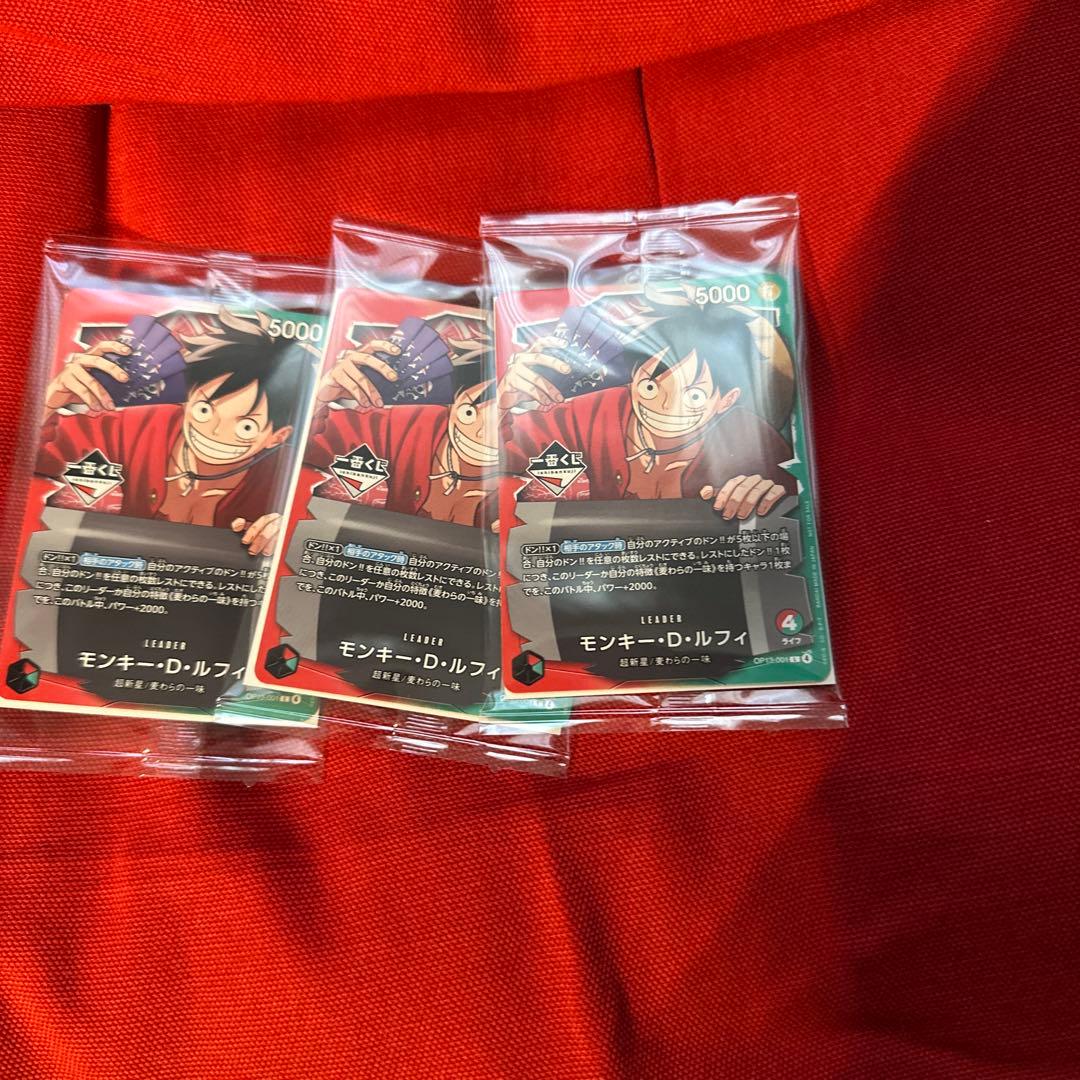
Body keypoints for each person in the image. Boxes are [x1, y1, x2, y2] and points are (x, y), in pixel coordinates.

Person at [37, 309, 307, 555]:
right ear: (188, 398)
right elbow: (39, 457)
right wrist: (51, 399)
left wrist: (290, 534)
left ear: (278, 436)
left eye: (246, 427)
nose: (214, 431)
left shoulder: (286, 476)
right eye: (204, 410)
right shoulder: (138, 427)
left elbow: (316, 531)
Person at [499, 305, 795, 518]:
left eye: (693, 396)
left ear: (726, 400)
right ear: (634, 375)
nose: (664, 407)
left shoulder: (752, 440)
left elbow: (792, 498)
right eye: (651, 387)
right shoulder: (592, 412)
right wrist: (502, 403)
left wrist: (767, 494)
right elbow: (497, 453)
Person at [306, 335, 498, 528]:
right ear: (455, 399)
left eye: (498, 421)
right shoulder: (412, 424)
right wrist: (320, 398)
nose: (481, 434)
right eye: (469, 413)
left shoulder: (515, 456)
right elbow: (314, 443)